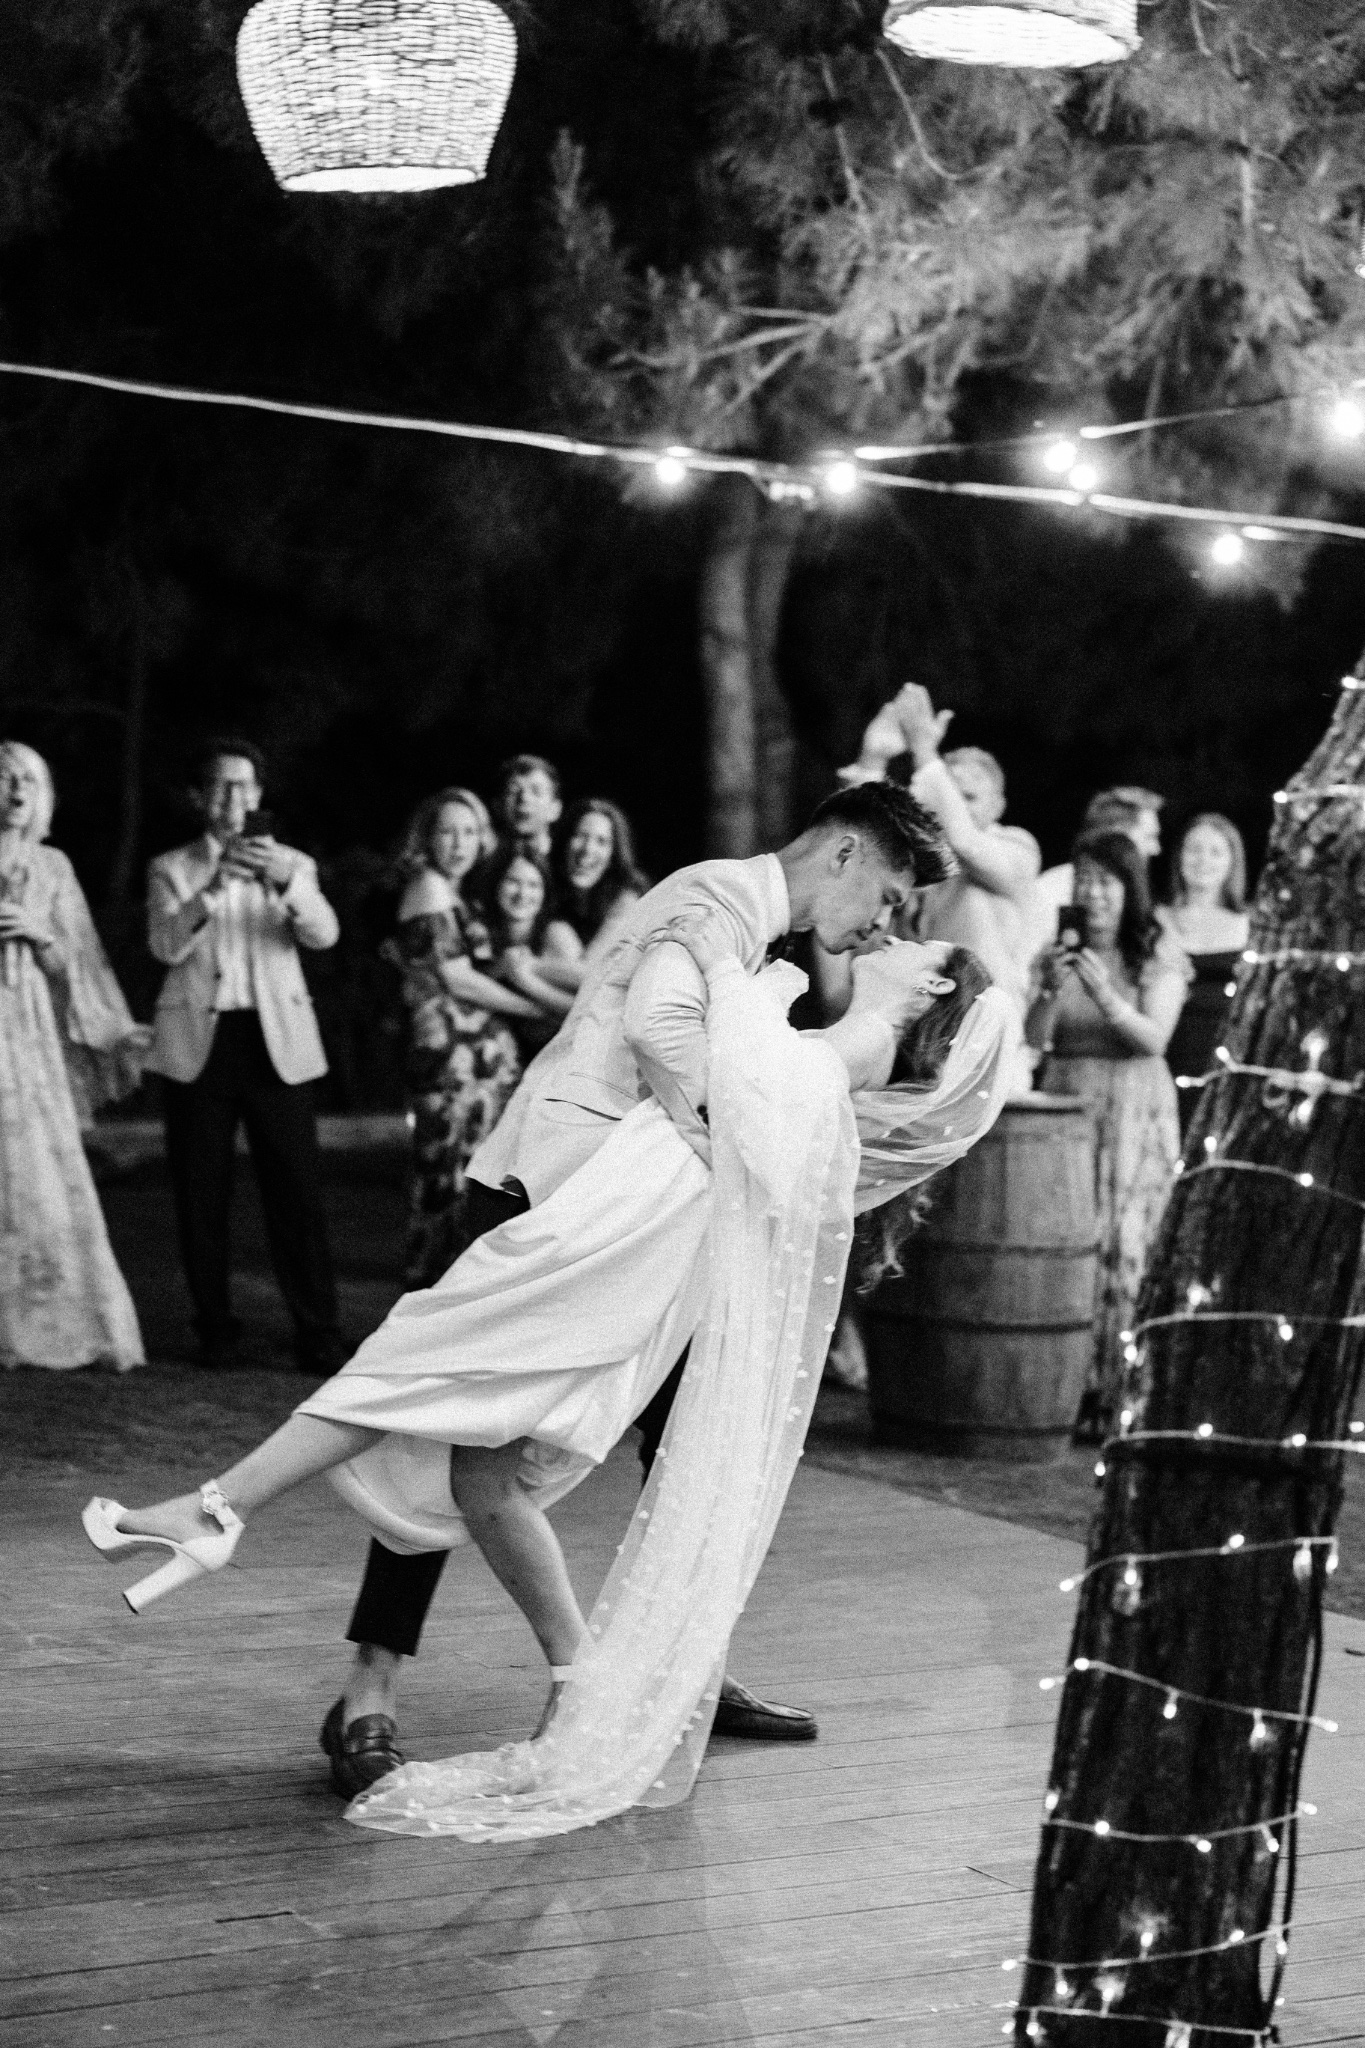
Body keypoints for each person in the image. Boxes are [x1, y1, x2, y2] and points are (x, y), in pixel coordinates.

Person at [84, 917, 1014, 1843]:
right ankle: (575, 1679)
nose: (893, 936)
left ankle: (216, 1512)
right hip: (629, 1210)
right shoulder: (850, 1043)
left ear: (932, 987)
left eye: (916, 943)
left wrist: (736, 977)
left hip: (626, 1228)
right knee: (478, 1464)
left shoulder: (858, 1044)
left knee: (423, 1357)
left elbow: (731, 1081)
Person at [305, 777, 958, 1789]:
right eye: (886, 895)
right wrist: (761, 1107)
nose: (883, 923)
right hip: (551, 1194)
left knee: (695, 1431)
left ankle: (688, 1665)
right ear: (843, 853)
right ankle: (367, 1690)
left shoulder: (760, 930)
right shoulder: (715, 900)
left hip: (645, 1220)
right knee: (453, 1424)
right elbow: (669, 1041)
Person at [146, 739, 345, 1375]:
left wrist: (284, 882)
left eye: (245, 786)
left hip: (275, 1040)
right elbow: (164, 947)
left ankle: (317, 1331)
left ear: (258, 796)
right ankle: (215, 1330)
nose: (234, 798)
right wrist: (211, 889)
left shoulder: (292, 863)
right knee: (201, 1194)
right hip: (198, 1044)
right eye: (221, 786)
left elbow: (324, 934)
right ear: (200, 797)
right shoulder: (171, 867)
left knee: (297, 1193)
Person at [1025, 830, 1191, 1439]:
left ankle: (1122, 1392)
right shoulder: (1058, 949)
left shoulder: (1153, 947)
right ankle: (1072, 1387)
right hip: (1069, 1101)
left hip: (1133, 1103)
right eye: (1084, 881)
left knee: (1126, 1248)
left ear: (1129, 889)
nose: (1092, 894)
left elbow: (1156, 1039)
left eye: (1106, 882)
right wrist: (1048, 988)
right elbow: (1037, 1037)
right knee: (1071, 1245)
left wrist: (1104, 994)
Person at [0, 742, 147, 1371]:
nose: (15, 792)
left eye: (27, 781)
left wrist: (38, 933)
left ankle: (44, 1315)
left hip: (26, 1033)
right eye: (4, 779)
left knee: (34, 1161)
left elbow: (76, 965)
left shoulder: (52, 866)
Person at [385, 789, 540, 1289]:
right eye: (447, 831)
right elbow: (457, 979)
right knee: (444, 1176)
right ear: (427, 838)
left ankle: (452, 1290)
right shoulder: (429, 888)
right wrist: (533, 1008)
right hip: (448, 1059)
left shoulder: (455, 892)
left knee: (468, 1176)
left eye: (469, 831)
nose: (460, 843)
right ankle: (429, 1288)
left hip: (475, 1061)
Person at [839, 684, 1040, 1022]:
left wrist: (923, 750)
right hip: (915, 1027)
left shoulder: (1017, 847)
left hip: (986, 1029)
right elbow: (860, 845)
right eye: (951, 795)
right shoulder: (919, 855)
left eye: (970, 797)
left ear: (998, 806)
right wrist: (874, 759)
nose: (956, 807)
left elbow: (965, 842)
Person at [1158, 813, 1252, 1133]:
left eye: (1216, 852)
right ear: (1179, 856)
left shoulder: (1248, 925)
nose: (1203, 861)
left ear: (1232, 862)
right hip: (1162, 1052)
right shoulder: (1155, 920)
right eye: (1194, 849)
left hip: (1221, 1058)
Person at [1023, 786, 1165, 969]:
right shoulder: (1055, 888)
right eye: (1149, 837)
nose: (1156, 849)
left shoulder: (1135, 893)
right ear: (1117, 833)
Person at [482, 844, 584, 1054]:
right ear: (496, 884)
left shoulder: (556, 934)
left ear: (545, 893)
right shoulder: (483, 931)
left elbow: (589, 1008)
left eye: (534, 885)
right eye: (513, 881)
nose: (523, 893)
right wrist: (500, 968)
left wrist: (525, 978)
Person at [499, 754, 563, 865]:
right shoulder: (484, 866)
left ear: (555, 809)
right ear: (498, 805)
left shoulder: (565, 865)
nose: (524, 798)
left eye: (536, 791)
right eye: (513, 791)